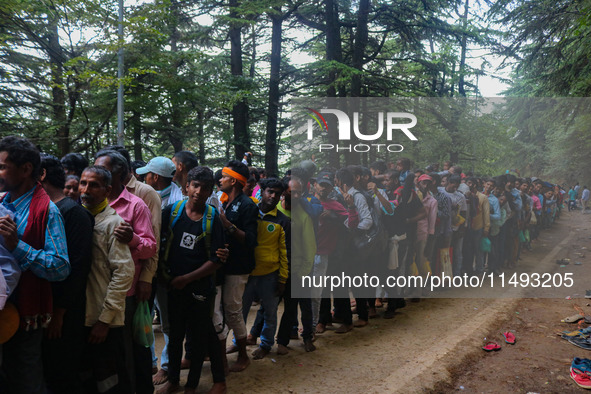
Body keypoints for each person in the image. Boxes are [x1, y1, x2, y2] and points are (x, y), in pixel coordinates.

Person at [0, 136, 70, 394]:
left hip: (25, 314)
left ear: (26, 169)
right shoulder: (1, 201)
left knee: (26, 379)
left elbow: (60, 267)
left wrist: (16, 245)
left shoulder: (46, 211)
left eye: (3, 167)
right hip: (1, 309)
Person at [157, 167, 227, 394]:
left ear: (210, 192)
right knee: (175, 336)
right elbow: (158, 244)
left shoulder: (212, 217)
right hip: (173, 286)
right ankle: (174, 380)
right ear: (186, 186)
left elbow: (217, 259)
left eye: (204, 188)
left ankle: (192, 384)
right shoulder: (171, 212)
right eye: (195, 185)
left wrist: (187, 279)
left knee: (197, 340)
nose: (198, 191)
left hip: (199, 288)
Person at [94, 150, 157, 394]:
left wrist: (132, 240)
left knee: (126, 351)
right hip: (94, 289)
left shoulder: (135, 205)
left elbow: (150, 247)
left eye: (105, 170)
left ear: (121, 174)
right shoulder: (90, 201)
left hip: (124, 292)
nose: (98, 174)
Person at [39, 155, 94, 394]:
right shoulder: (50, 209)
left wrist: (60, 311)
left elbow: (78, 267)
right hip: (50, 308)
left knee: (64, 370)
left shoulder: (73, 213)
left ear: (40, 175)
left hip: (66, 312)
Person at [78, 165, 135, 393]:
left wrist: (104, 320)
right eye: (83, 183)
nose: (86, 189)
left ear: (107, 189)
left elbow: (123, 273)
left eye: (94, 185)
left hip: (104, 320)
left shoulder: (114, 224)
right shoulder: (78, 218)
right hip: (83, 315)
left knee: (110, 379)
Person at [242, 178, 289, 359]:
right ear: (262, 191)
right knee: (241, 312)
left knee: (270, 313)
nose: (273, 196)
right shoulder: (250, 212)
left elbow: (284, 252)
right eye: (270, 191)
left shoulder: (282, 221)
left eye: (278, 193)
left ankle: (266, 345)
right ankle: (238, 344)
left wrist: (283, 279)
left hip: (270, 275)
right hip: (247, 273)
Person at [219, 160, 258, 372]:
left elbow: (251, 239)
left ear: (233, 181)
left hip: (238, 267)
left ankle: (243, 355)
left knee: (233, 311)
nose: (220, 179)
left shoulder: (247, 205)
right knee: (221, 311)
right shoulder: (223, 201)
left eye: (224, 176)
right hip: (223, 265)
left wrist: (228, 225)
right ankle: (221, 353)